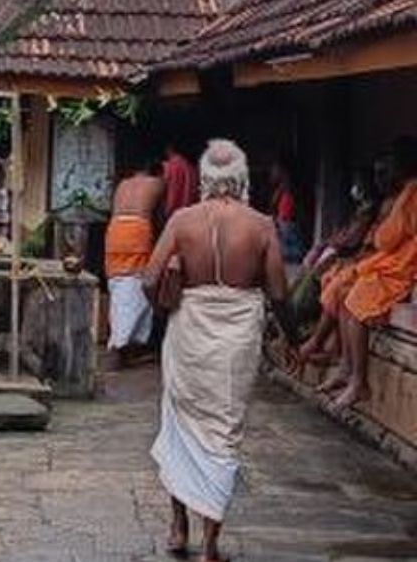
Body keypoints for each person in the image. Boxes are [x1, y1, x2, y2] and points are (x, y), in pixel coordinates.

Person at [143, 139, 295, 562]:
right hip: (237, 339)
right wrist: (293, 339)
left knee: (179, 424)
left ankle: (178, 528)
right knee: (222, 434)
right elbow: (280, 292)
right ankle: (210, 542)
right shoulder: (261, 225)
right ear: (243, 180)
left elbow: (148, 278)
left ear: (205, 180)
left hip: (187, 332)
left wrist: (165, 307)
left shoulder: (182, 219)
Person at [323, 137, 417, 410]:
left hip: (402, 266)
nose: (385, 175)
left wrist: (380, 237)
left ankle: (359, 381)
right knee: (342, 292)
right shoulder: (403, 193)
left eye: (389, 167)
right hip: (390, 261)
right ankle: (345, 367)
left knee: (356, 303)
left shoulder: (412, 193)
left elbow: (388, 238)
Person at [289, 169, 378, 369]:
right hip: (355, 257)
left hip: (375, 261)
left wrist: (338, 247)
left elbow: (352, 241)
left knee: (338, 288)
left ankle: (318, 343)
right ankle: (329, 346)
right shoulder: (361, 209)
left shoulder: (373, 209)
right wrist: (325, 246)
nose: (357, 189)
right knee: (322, 278)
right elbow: (342, 237)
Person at [105, 159, 164, 360]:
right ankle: (124, 342)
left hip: (114, 231)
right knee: (135, 283)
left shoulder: (123, 184)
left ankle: (123, 339)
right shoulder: (156, 183)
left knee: (118, 280)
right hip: (137, 229)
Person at [270, 157, 305, 264]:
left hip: (286, 215)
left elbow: (278, 199)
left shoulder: (287, 184)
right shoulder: (285, 185)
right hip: (284, 215)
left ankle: (297, 258)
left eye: (276, 169)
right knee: (288, 240)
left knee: (290, 242)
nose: (274, 171)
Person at [161, 142, 198, 220]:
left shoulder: (168, 167)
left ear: (169, 149)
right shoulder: (192, 168)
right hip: (188, 214)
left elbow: (163, 189)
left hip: (170, 214)